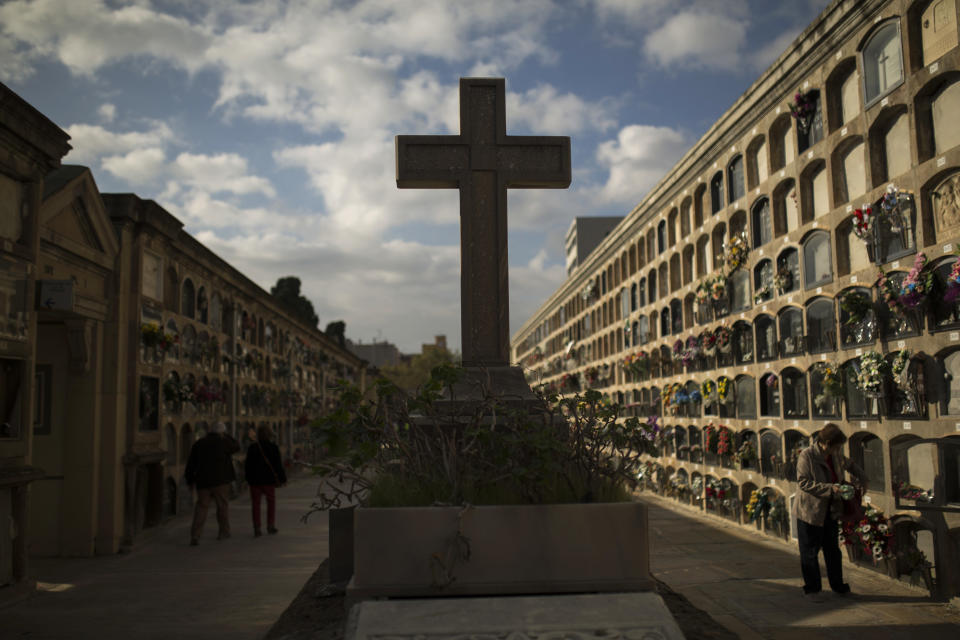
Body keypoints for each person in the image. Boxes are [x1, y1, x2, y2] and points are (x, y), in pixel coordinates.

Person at [794, 423, 866, 601]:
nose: (838, 449)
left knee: (833, 550)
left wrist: (863, 478)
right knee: (810, 552)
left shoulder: (834, 454)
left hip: (830, 510)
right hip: (810, 512)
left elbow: (849, 464)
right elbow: (803, 482)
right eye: (836, 446)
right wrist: (831, 489)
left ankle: (838, 586)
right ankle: (812, 590)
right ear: (825, 442)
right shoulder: (807, 456)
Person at [185, 422, 240, 546]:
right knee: (222, 506)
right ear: (222, 432)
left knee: (201, 507)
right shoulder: (224, 442)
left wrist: (190, 480)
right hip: (220, 481)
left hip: (203, 481)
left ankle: (195, 535)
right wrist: (226, 436)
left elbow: (191, 463)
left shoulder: (199, 443)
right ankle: (223, 532)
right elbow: (236, 446)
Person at [244, 425, 287, 537]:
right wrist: (282, 479)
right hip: (269, 481)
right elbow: (278, 465)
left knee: (256, 504)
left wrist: (248, 479)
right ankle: (270, 525)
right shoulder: (273, 447)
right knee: (271, 503)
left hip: (255, 481)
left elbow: (248, 465)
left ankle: (257, 527)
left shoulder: (252, 448)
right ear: (269, 435)